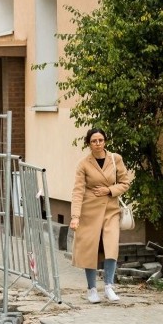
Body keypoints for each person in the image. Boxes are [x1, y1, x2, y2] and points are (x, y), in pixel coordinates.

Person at [69, 128, 132, 303]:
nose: (98, 143)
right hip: (89, 211)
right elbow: (78, 191)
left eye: (101, 140)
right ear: (89, 144)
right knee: (91, 250)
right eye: (94, 141)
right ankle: (92, 289)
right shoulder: (84, 164)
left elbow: (125, 183)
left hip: (111, 210)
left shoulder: (115, 158)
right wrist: (75, 216)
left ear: (105, 141)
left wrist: (110, 190)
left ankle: (109, 287)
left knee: (111, 247)